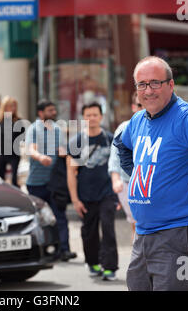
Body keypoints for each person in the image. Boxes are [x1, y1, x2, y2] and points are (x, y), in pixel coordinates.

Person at [113, 56, 188, 291]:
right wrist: (139, 175)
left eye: (155, 83)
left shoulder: (186, 117)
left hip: (180, 230)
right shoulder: (139, 120)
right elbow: (121, 143)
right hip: (145, 233)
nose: (148, 90)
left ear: (171, 85)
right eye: (142, 84)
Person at [66, 101, 119, 280]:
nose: (92, 118)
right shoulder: (76, 142)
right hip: (86, 195)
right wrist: (75, 200)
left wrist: (120, 194)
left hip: (108, 193)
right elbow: (71, 173)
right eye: (88, 115)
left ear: (101, 116)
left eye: (95, 115)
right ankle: (93, 262)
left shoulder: (110, 139)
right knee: (89, 232)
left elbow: (119, 167)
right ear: (83, 118)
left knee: (108, 227)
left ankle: (110, 266)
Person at [26, 99, 77, 262]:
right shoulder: (33, 129)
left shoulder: (57, 129)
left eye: (54, 110)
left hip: (55, 183)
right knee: (42, 218)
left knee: (60, 215)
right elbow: (30, 149)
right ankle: (46, 248)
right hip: (36, 183)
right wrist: (41, 157)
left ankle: (64, 249)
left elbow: (62, 150)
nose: (53, 113)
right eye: (49, 110)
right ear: (41, 113)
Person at [108, 93, 143, 240]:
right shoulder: (125, 127)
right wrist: (115, 180)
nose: (143, 107)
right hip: (128, 182)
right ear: (133, 107)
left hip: (154, 182)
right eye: (140, 104)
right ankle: (140, 259)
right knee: (136, 223)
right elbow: (115, 156)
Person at [0, 95, 25, 187]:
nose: (13, 108)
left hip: (14, 153)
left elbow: (22, 136)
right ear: (5, 107)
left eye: (14, 106)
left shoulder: (18, 120)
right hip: (2, 152)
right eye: (11, 106)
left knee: (15, 179)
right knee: (1, 178)